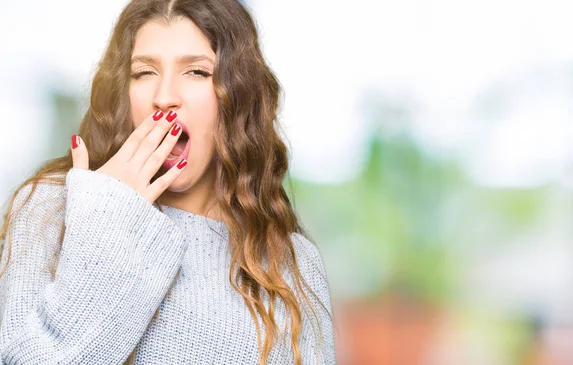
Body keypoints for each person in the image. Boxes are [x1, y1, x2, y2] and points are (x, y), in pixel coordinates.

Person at [0, 0, 336, 364]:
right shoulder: (52, 208)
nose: (164, 98)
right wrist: (109, 216)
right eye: (144, 72)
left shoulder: (292, 263)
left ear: (238, 96)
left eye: (196, 72)